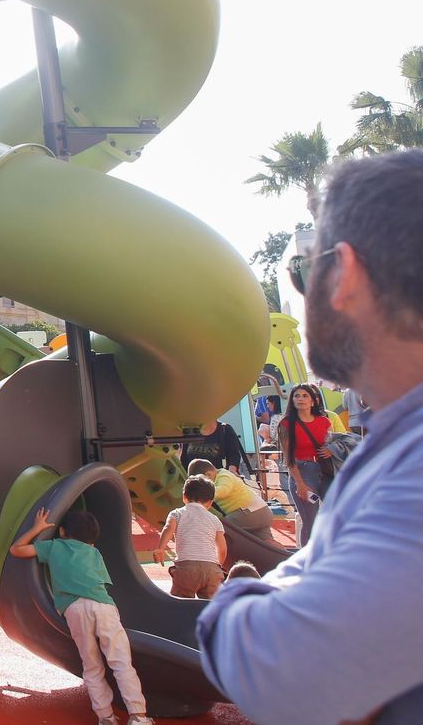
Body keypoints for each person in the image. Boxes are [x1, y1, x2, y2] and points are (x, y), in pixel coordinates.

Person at [199, 152, 423, 723]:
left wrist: (233, 601)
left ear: (343, 274)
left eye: (302, 272)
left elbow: (282, 668)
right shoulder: (394, 438)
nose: (301, 293)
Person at [10, 508, 153, 725]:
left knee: (92, 665)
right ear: (92, 539)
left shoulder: (54, 546)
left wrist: (36, 528)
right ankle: (138, 716)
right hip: (104, 607)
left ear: (63, 531)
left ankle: (105, 717)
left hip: (75, 609)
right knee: (121, 662)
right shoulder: (95, 553)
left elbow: (17, 550)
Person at [277, 382, 333, 545]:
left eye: (305, 395)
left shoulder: (324, 421)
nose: (300, 399)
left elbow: (332, 442)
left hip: (325, 470)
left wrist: (331, 450)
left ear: (313, 401)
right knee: (310, 520)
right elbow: (288, 457)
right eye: (296, 396)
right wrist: (299, 483)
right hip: (302, 471)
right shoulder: (286, 424)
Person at [153, 475, 227, 600]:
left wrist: (160, 548)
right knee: (210, 604)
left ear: (184, 497)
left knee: (181, 602)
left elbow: (168, 528)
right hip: (211, 570)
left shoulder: (177, 513)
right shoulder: (214, 519)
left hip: (187, 568)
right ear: (210, 503)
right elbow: (223, 548)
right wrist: (218, 565)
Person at [187, 458, 272, 536]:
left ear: (208, 475)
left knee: (220, 528)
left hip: (246, 511)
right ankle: (279, 552)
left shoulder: (223, 475)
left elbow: (224, 491)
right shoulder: (220, 476)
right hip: (261, 510)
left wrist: (201, 492)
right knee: (266, 540)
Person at [178, 417, 248, 475]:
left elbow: (234, 455)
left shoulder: (225, 429)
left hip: (218, 481)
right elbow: (183, 458)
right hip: (193, 482)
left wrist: (231, 471)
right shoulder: (188, 430)